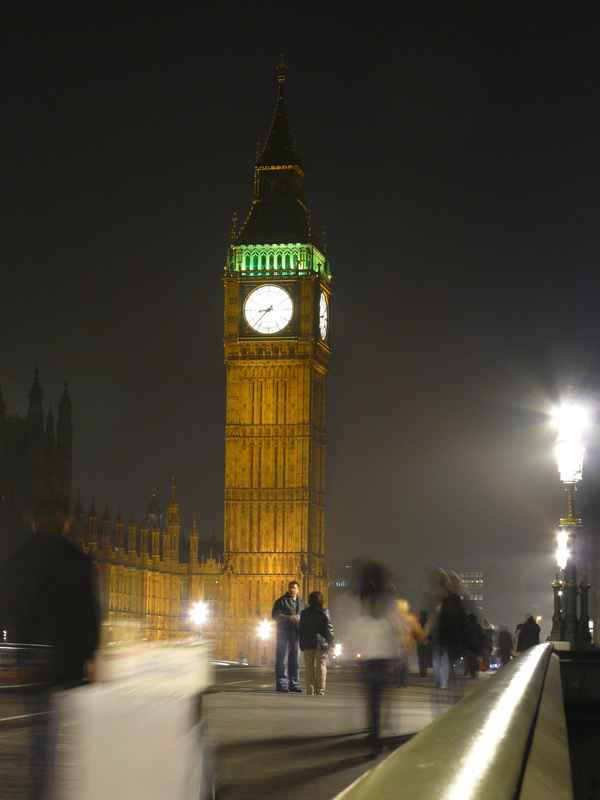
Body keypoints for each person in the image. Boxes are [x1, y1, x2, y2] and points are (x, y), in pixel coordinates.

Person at [0, 495, 100, 799]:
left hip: (30, 657)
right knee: (58, 732)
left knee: (40, 731)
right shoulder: (77, 560)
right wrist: (90, 654)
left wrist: (15, 648)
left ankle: (41, 787)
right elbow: (88, 613)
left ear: (35, 522)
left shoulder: (18, 559)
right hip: (64, 658)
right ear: (64, 522)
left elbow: (7, 606)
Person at [355, 562, 399, 752]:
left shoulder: (365, 602)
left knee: (372, 697)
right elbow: (393, 629)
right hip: (381, 657)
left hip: (370, 656)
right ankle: (377, 731)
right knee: (379, 697)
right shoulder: (386, 604)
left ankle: (374, 731)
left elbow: (359, 630)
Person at [299, 591, 334, 696]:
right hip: (321, 643)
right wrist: (331, 643)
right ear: (321, 600)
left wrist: (301, 643)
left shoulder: (304, 613)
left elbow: (301, 629)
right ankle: (320, 690)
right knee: (321, 666)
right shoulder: (324, 612)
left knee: (309, 667)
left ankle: (310, 689)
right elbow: (329, 629)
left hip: (307, 643)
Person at [436, 574, 467, 689]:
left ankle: (446, 683)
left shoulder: (450, 601)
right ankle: (449, 682)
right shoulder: (454, 600)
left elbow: (443, 620)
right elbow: (462, 620)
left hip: (449, 637)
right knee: (450, 660)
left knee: (447, 660)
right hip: (453, 637)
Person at [271, 580, 303, 692]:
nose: (291, 589)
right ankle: (281, 684)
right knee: (282, 659)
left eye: (294, 587)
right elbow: (275, 615)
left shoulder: (301, 602)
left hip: (296, 634)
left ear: (298, 590)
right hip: (283, 633)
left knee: (295, 660)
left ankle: (294, 684)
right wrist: (289, 618)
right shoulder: (281, 601)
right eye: (290, 587)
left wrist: (300, 619)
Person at [395, 599, 425, 686]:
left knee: (398, 661)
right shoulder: (411, 618)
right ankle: (403, 681)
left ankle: (399, 680)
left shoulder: (393, 618)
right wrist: (422, 638)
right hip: (407, 643)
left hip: (395, 643)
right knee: (404, 661)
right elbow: (418, 630)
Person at [464, 613, 484, 679]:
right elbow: (481, 636)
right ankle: (475, 672)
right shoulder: (478, 626)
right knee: (475, 659)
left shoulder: (466, 626)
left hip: (469, 646)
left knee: (470, 660)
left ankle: (472, 673)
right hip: (477, 645)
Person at [416, 610, 431, 678]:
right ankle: (424, 672)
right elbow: (428, 632)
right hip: (425, 641)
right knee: (425, 657)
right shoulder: (428, 622)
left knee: (420, 657)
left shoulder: (418, 621)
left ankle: (421, 672)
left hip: (419, 641)